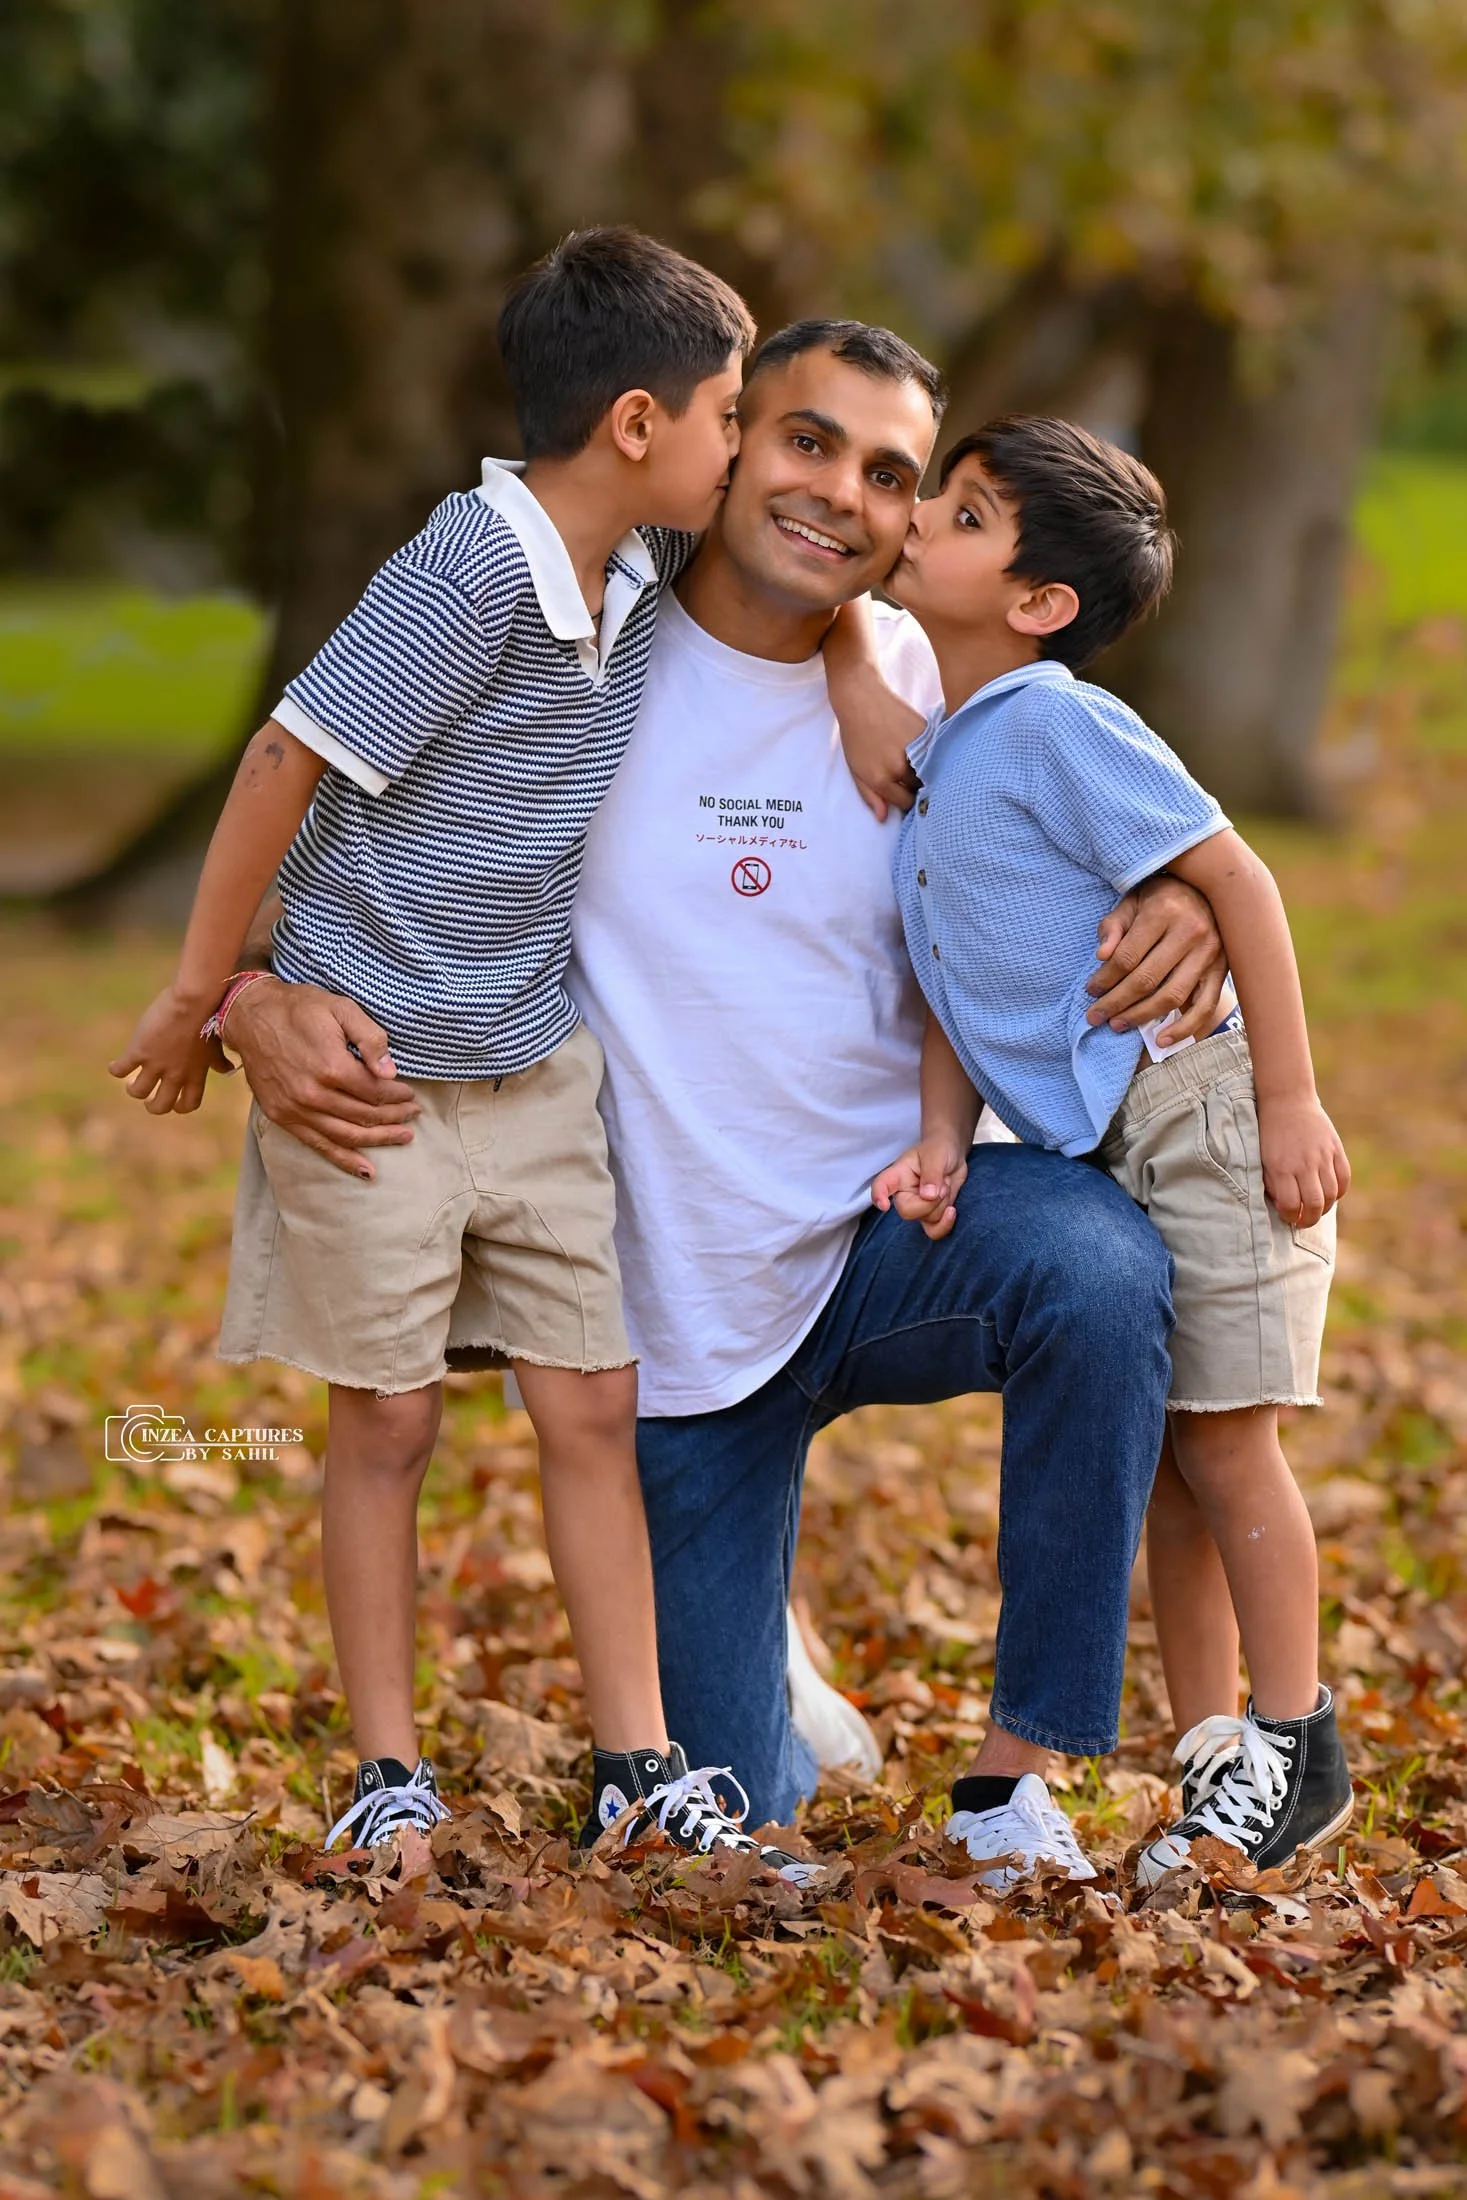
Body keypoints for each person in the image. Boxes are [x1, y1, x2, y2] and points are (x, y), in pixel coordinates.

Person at [222, 321, 1230, 1888]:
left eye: (891, 476)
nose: (839, 494)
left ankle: (1014, 1776)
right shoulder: (581, 650)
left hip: (898, 1229)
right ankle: (763, 1664)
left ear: (916, 524)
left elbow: (1131, 813)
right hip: (672, 1330)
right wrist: (250, 989)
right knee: (737, 1823)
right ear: (726, 441)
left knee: (1100, 1271)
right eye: (805, 443)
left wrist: (1190, 904)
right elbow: (366, 802)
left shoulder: (930, 675)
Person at [108, 226, 823, 1883]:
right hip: (371, 1085)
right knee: (391, 1427)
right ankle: (383, 1768)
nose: (738, 451)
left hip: (533, 1066)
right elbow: (291, 753)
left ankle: (641, 1760)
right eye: (731, 417)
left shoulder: (632, 582)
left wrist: (857, 673)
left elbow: (804, 615)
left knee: (592, 1403)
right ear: (639, 426)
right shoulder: (474, 567)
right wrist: (207, 989)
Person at [855, 414, 1353, 1882]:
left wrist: (1290, 1098)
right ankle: (1214, 1755)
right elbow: (953, 978)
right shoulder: (944, 759)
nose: (920, 522)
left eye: (958, 515)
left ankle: (1297, 1737)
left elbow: (1236, 879)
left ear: (1036, 606)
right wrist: (942, 1140)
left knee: (1221, 1438)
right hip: (1111, 1143)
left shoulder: (1057, 724)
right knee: (1157, 1461)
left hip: (1201, 1111)